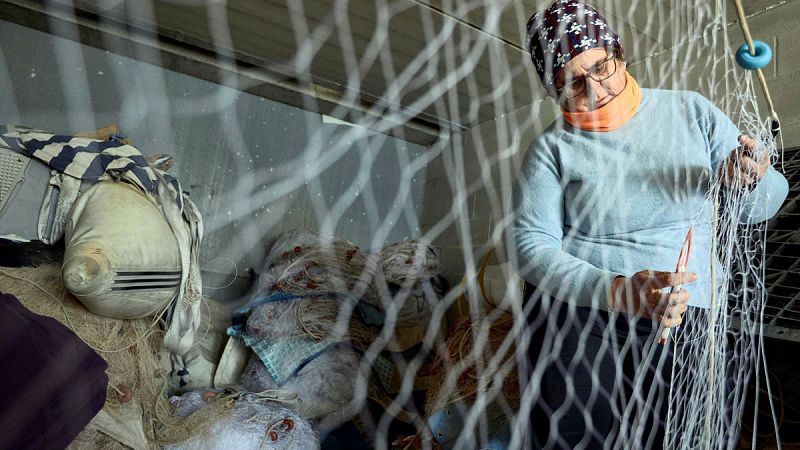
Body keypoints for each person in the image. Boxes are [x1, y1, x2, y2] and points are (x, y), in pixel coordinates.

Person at [512, 1, 789, 448]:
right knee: (572, 433)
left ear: (618, 54)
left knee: (673, 435)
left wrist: (747, 179)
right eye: (574, 83)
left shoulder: (690, 112)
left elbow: (765, 203)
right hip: (586, 311)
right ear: (553, 90)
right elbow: (531, 246)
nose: (597, 90)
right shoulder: (551, 149)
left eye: (602, 67)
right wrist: (619, 291)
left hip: (686, 309)